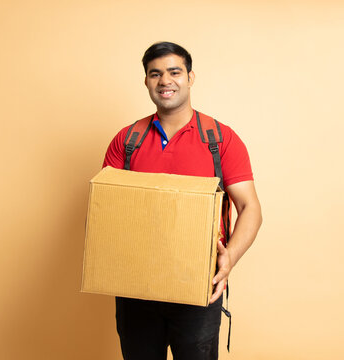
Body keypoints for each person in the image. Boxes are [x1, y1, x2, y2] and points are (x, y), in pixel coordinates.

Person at [102, 41, 262, 360]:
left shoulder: (219, 139)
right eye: (155, 74)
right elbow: (106, 207)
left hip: (198, 285)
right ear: (146, 81)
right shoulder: (127, 141)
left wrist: (229, 258)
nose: (165, 81)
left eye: (174, 72)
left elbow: (250, 209)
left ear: (190, 78)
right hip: (136, 286)